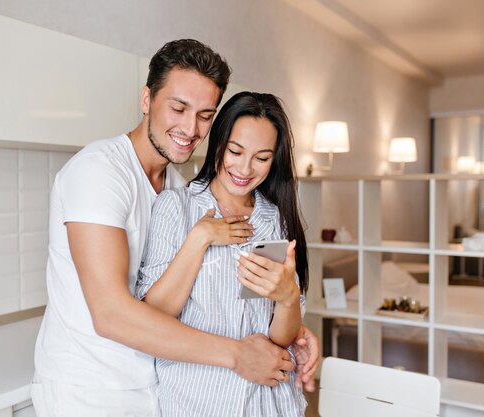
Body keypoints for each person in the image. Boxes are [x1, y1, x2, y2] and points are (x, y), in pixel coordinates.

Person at [31, 39, 319, 417]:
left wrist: (289, 324)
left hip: (151, 382)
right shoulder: (99, 172)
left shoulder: (172, 185)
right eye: (179, 108)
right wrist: (239, 355)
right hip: (90, 388)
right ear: (147, 99)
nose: (190, 127)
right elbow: (112, 314)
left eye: (204, 114)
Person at [136, 91, 308, 416]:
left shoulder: (274, 220)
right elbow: (154, 316)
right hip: (200, 403)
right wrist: (199, 238)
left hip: (271, 401)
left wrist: (288, 297)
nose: (245, 168)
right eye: (235, 151)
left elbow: (281, 338)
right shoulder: (177, 207)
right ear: (218, 144)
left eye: (262, 157)